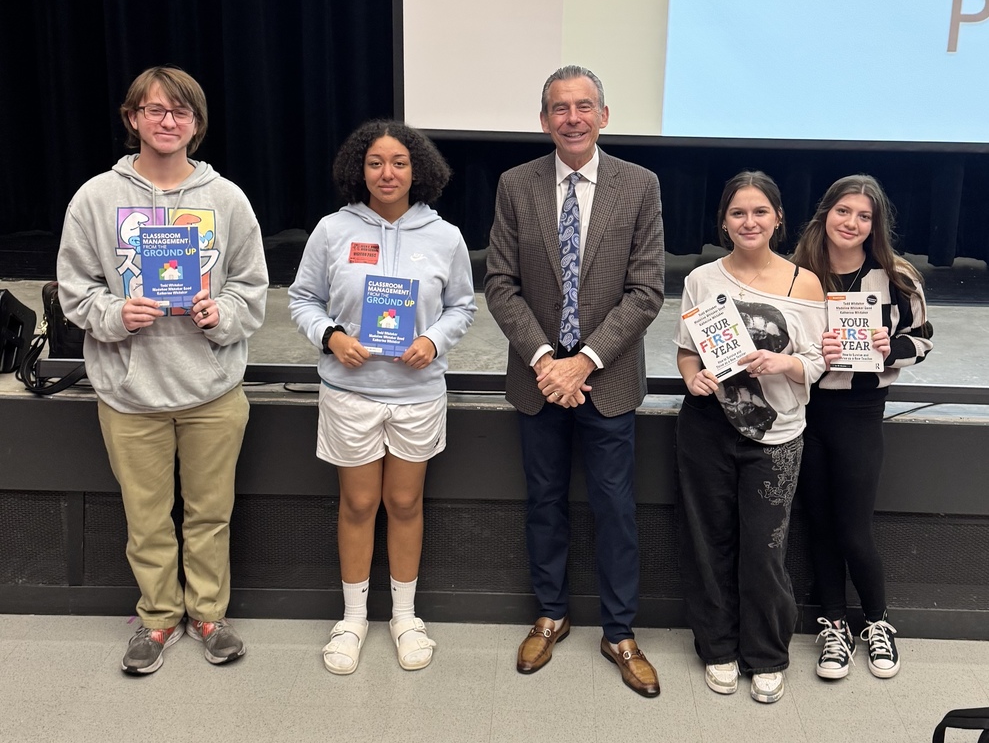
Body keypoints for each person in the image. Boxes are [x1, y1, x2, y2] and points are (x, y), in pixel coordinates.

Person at [57, 66, 268, 674]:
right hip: (130, 392)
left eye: (180, 112)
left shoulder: (226, 200)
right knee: (146, 519)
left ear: (196, 124)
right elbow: (75, 290)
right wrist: (116, 312)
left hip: (212, 389)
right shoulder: (96, 198)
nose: (168, 121)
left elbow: (254, 289)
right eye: (155, 111)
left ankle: (208, 614)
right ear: (133, 120)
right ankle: (157, 620)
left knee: (209, 514)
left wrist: (219, 313)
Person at [484, 66, 665, 698]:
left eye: (583, 106)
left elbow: (646, 292)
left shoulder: (639, 186)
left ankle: (619, 631)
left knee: (615, 508)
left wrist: (583, 361)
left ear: (604, 116)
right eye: (559, 108)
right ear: (544, 121)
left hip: (606, 381)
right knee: (544, 503)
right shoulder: (515, 184)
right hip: (538, 379)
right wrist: (544, 359)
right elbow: (500, 284)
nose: (572, 118)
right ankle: (551, 614)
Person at [288, 121, 475, 674]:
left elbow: (462, 307)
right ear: (358, 169)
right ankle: (352, 619)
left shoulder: (445, 237)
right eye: (375, 162)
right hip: (351, 393)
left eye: (398, 162)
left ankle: (404, 616)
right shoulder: (332, 231)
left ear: (418, 170)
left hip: (416, 394)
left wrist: (432, 340)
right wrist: (331, 337)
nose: (387, 173)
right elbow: (302, 299)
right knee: (359, 504)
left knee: (404, 503)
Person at [674, 171, 825, 704]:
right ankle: (717, 646)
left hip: (777, 435)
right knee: (709, 540)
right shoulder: (701, 279)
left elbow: (816, 362)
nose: (749, 222)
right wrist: (691, 376)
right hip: (707, 428)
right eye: (738, 213)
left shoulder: (804, 283)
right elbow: (687, 350)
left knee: (765, 548)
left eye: (760, 211)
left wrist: (782, 361)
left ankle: (766, 654)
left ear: (778, 218)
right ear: (724, 222)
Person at [793, 175, 933, 681]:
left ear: (875, 224)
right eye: (843, 211)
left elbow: (923, 341)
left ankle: (877, 621)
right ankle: (834, 625)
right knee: (820, 525)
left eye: (864, 216)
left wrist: (886, 346)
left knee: (854, 527)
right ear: (824, 214)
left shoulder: (896, 277)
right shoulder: (796, 274)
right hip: (803, 413)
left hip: (859, 412)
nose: (851, 223)